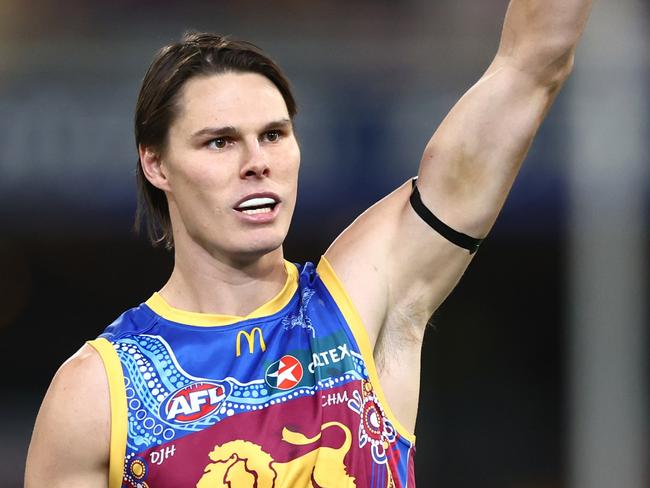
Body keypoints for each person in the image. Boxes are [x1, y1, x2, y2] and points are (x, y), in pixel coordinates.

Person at [25, 1, 593, 486]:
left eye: (274, 134)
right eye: (220, 142)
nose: (258, 163)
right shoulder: (98, 394)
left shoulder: (363, 300)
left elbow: (531, 64)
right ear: (157, 164)